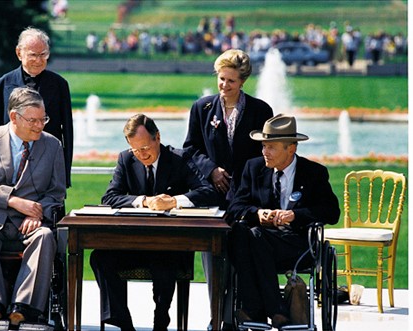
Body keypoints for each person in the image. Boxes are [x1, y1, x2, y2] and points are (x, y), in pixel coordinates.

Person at [90, 113, 218, 331]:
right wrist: (144, 201)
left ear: (157, 137)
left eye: (145, 148)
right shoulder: (126, 159)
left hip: (171, 245)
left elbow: (207, 192)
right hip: (134, 244)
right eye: (136, 150)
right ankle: (123, 324)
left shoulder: (180, 159)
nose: (142, 155)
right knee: (100, 258)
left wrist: (174, 202)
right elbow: (110, 197)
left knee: (163, 260)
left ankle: (161, 322)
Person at [183, 48, 273, 330]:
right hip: (212, 195)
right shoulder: (202, 108)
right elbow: (190, 149)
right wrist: (211, 169)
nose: (224, 86)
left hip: (246, 197)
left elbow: (265, 154)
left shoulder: (260, 110)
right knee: (212, 256)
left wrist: (243, 179)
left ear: (242, 81)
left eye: (230, 81)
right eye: (221, 79)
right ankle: (215, 317)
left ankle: (241, 315)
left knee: (241, 252)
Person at [227, 114, 340, 329]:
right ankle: (276, 311)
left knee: (251, 237)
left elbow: (331, 212)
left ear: (291, 149)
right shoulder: (253, 168)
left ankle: (255, 310)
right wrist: (258, 213)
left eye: (271, 147)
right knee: (242, 232)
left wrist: (295, 215)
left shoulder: (314, 173)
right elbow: (235, 207)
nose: (264, 152)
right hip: (259, 240)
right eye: (263, 146)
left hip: (296, 243)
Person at [0, 87, 66, 326]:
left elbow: (57, 192)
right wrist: (12, 200)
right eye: (33, 120)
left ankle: (23, 307)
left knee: (44, 236)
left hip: (31, 223)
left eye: (43, 119)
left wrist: (39, 211)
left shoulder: (52, 146)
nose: (39, 125)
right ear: (14, 117)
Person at [0, 27, 73, 188]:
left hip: (48, 169)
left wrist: (64, 176)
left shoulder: (60, 85)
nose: (39, 60)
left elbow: (67, 133)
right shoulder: (1, 85)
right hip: (9, 172)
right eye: (33, 55)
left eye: (43, 55)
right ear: (19, 53)